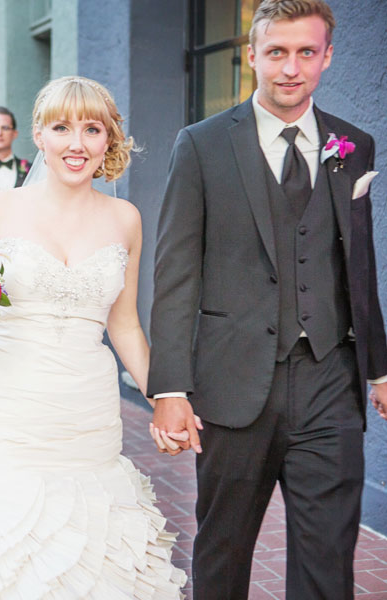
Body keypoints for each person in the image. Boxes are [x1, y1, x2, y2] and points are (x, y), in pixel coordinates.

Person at [0, 76, 186, 597]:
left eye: (92, 129)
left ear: (108, 139)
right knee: (1, 548)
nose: (77, 143)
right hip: (5, 407)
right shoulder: (0, 208)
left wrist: (165, 397)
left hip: (87, 410)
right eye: (62, 128)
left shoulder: (125, 219)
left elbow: (125, 323)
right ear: (39, 136)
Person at [147, 2, 387, 598]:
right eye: (276, 52)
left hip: (330, 380)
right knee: (224, 553)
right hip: (233, 383)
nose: (290, 68)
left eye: (307, 52)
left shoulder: (354, 146)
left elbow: (359, 265)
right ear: (251, 55)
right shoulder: (201, 145)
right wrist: (169, 388)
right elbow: (176, 271)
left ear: (327, 57)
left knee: (328, 559)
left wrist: (378, 368)